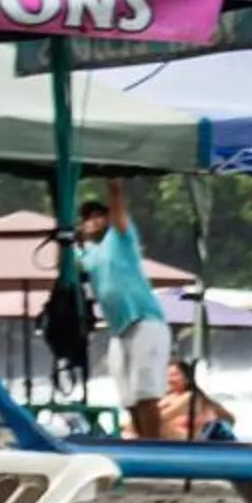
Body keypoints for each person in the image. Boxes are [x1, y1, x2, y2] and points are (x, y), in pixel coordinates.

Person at [76, 179, 172, 441]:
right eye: (87, 218)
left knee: (146, 393)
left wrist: (114, 190)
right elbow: (65, 262)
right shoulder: (89, 254)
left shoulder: (120, 239)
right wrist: (69, 238)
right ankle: (144, 443)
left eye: (98, 215)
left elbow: (119, 216)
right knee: (128, 397)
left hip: (144, 321)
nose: (93, 221)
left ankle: (154, 448)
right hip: (119, 330)